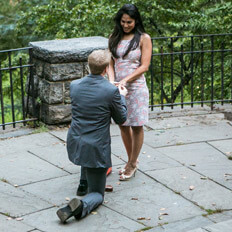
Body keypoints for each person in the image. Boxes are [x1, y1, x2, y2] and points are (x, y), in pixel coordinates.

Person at [56, 49, 127, 223]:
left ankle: (82, 184)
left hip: (76, 140)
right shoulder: (111, 91)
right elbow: (121, 118)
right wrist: (122, 97)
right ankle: (80, 206)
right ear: (105, 69)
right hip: (96, 146)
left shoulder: (75, 85)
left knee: (87, 152)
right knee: (97, 194)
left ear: (89, 65)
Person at [108, 4, 152, 181]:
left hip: (136, 87)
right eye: (123, 21)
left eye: (130, 22)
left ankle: (132, 164)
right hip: (119, 88)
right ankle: (131, 161)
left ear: (136, 21)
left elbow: (144, 66)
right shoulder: (114, 37)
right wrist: (112, 81)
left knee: (137, 125)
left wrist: (126, 79)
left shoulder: (143, 38)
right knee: (123, 124)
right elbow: (110, 62)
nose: (126, 25)